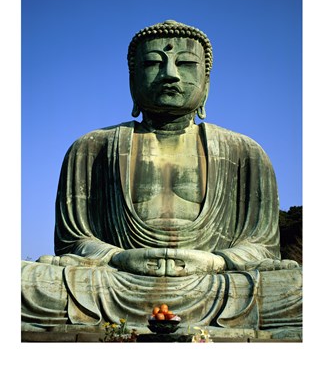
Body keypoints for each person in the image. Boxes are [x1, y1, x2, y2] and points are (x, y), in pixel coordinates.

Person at [21, 20, 302, 335]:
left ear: (207, 83)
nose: (170, 73)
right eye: (154, 63)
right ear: (133, 80)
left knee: (298, 288)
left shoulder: (245, 152)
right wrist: (122, 258)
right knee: (23, 282)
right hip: (117, 281)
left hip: (215, 284)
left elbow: (262, 248)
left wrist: (213, 262)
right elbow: (74, 241)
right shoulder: (91, 148)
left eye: (186, 64)